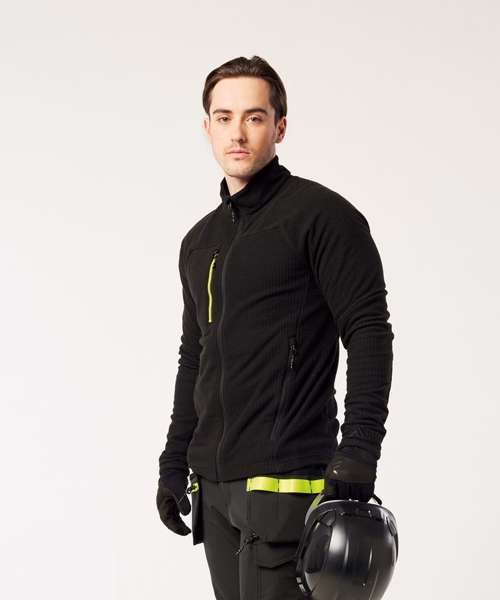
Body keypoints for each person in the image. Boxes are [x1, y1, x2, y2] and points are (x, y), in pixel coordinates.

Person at [156, 55, 394, 599]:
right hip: (215, 491)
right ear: (207, 126)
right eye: (224, 117)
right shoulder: (200, 241)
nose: (237, 133)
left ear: (280, 127)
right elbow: (195, 356)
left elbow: (369, 332)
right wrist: (174, 460)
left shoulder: (321, 218)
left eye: (254, 117)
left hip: (287, 484)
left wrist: (360, 450)